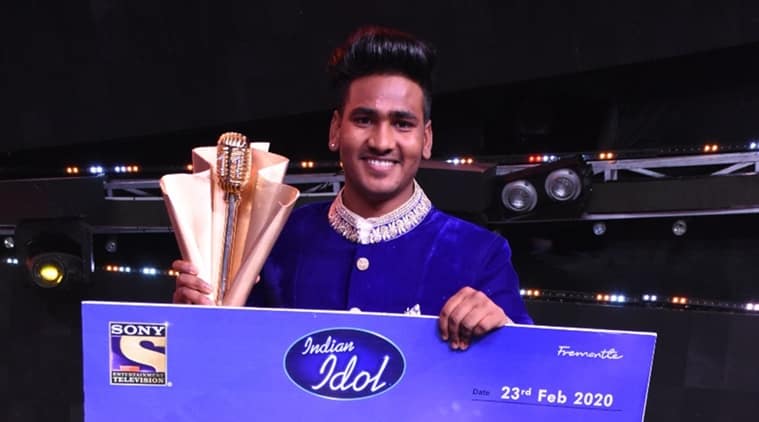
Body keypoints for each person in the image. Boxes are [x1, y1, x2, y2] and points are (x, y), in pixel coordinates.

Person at [173, 25, 533, 350]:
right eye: (364, 119)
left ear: (426, 139)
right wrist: (191, 319)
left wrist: (504, 330)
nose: (381, 142)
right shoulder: (272, 241)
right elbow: (224, 360)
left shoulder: (479, 254)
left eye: (402, 124)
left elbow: (528, 371)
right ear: (335, 130)